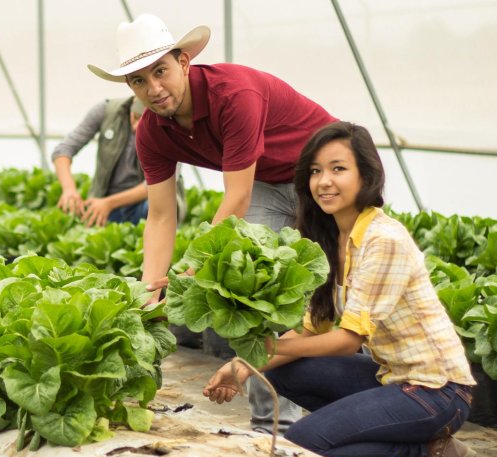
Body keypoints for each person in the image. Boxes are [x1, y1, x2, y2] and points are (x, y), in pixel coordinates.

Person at [89, 13, 337, 433]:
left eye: (161, 71)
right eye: (139, 81)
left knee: (339, 297)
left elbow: (236, 197)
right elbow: (162, 215)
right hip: (265, 182)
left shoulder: (233, 94)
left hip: (321, 177)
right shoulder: (151, 132)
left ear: (184, 62)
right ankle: (273, 423)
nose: (155, 89)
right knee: (258, 291)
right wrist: (151, 291)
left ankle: (374, 401)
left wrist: (187, 275)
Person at [204, 121, 476, 457]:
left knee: (302, 443)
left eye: (338, 169)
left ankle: (426, 454)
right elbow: (310, 327)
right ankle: (406, 436)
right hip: (391, 377)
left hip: (437, 390)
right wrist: (245, 365)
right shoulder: (331, 238)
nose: (324, 181)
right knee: (284, 370)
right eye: (315, 171)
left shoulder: (383, 239)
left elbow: (348, 341)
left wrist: (266, 348)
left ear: (366, 175)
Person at [52, 97, 185, 226]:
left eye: (145, 121)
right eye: (136, 117)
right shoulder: (106, 111)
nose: (136, 127)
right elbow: (63, 149)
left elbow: (164, 180)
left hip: (144, 206)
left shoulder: (172, 127)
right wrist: (69, 190)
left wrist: (109, 203)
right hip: (105, 203)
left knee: (159, 204)